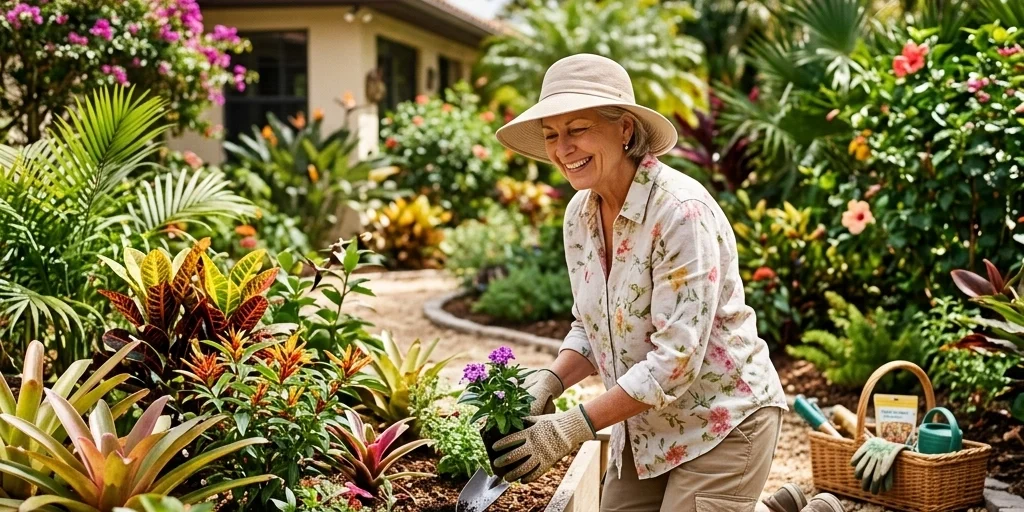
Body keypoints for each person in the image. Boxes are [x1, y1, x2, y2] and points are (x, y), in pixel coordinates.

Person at [489, 53, 844, 512]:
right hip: (645, 429)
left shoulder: (680, 212)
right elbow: (592, 326)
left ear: (625, 130)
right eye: (552, 135)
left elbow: (676, 361)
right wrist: (550, 382)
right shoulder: (580, 215)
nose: (563, 149)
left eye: (578, 129)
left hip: (722, 420)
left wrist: (569, 428)